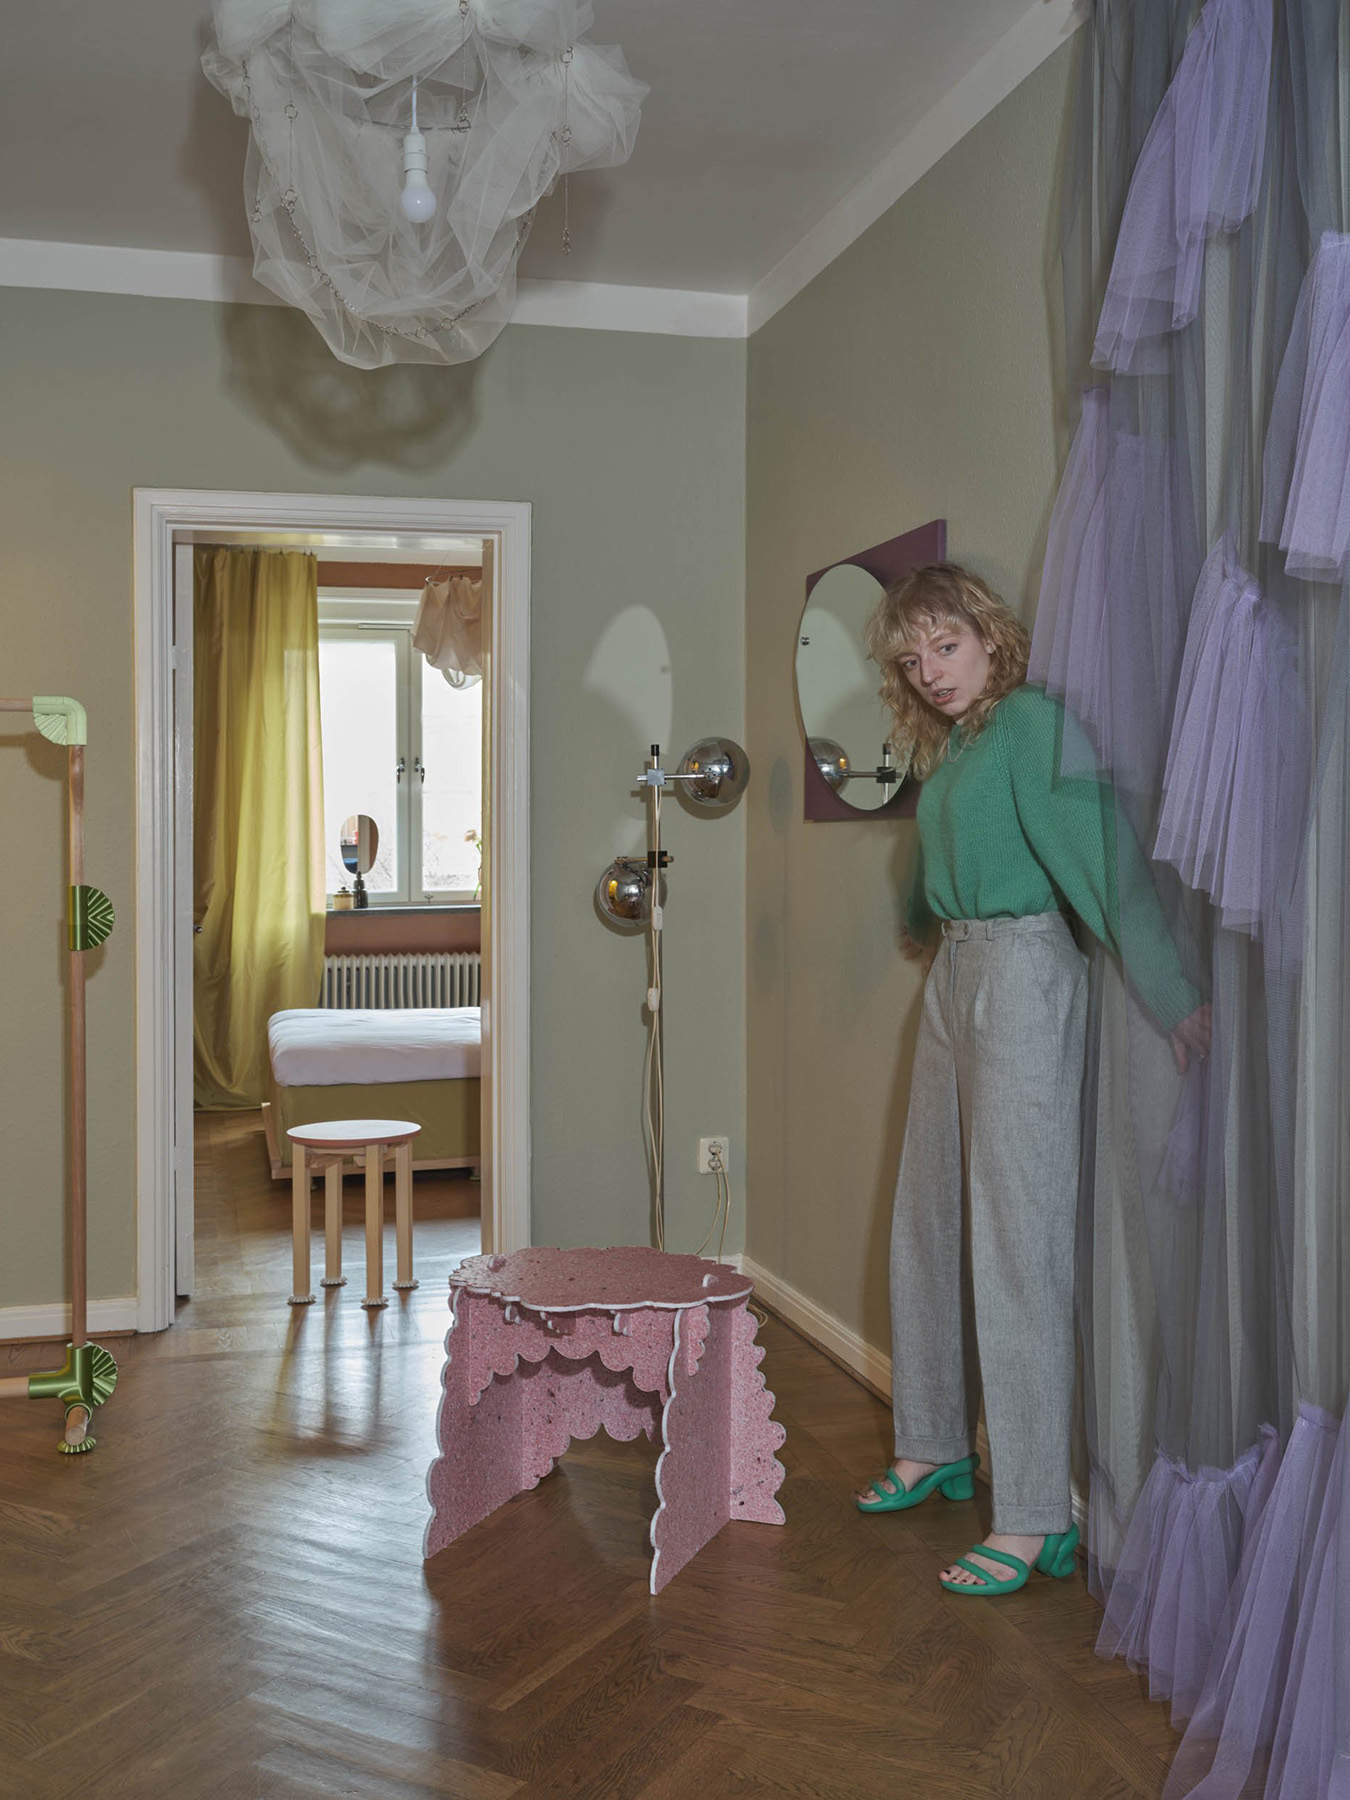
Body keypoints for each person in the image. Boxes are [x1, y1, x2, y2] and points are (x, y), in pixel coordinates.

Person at [853, 562, 1211, 1595]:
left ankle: (1033, 1512)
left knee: (1019, 1240)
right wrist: (927, 928)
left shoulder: (1034, 725)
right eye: (915, 660)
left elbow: (1101, 861)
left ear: (989, 635)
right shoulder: (956, 742)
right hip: (960, 970)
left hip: (1022, 975)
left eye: (946, 647)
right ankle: (933, 1439)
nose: (932, 673)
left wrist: (1173, 990)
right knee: (925, 1216)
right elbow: (934, 865)